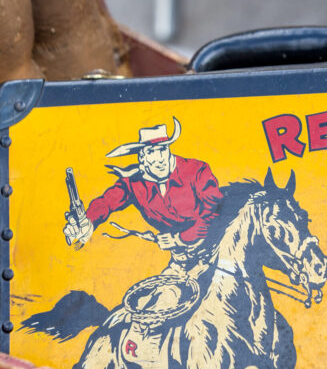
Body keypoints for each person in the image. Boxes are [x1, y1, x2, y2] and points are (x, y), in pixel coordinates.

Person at [64, 118, 222, 277]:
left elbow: (214, 213)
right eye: (151, 152)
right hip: (181, 261)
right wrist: (88, 222)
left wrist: (179, 239)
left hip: (221, 250)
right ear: (142, 158)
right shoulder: (134, 182)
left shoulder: (197, 170)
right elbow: (107, 201)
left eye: (163, 149)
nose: (159, 158)